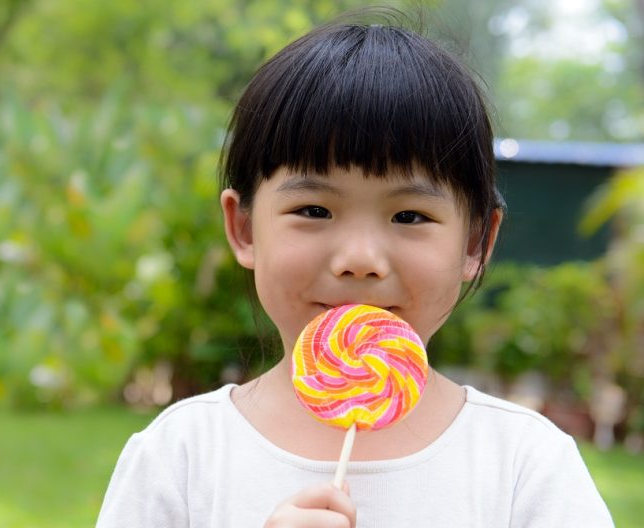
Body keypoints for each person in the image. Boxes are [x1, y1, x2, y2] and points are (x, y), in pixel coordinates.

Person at [97, 14, 614, 528]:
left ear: (476, 241)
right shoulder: (180, 457)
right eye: (314, 211)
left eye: (410, 216)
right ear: (246, 229)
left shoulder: (525, 465)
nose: (360, 259)